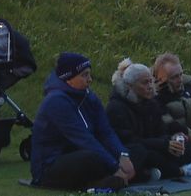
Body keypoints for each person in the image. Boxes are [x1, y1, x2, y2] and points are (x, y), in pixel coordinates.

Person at [31, 52, 134, 191]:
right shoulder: (56, 101)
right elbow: (82, 139)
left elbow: (105, 131)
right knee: (91, 157)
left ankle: (109, 180)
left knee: (132, 151)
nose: (90, 79)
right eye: (84, 75)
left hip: (80, 153)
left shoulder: (89, 96)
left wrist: (123, 155)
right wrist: (115, 166)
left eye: (89, 74)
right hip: (51, 165)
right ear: (69, 78)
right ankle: (101, 182)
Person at [105, 58, 191, 181]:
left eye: (151, 82)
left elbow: (161, 129)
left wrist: (172, 140)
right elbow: (128, 140)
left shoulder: (151, 103)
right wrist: (164, 144)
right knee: (145, 154)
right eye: (144, 83)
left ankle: (154, 172)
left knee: (184, 148)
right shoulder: (116, 108)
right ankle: (181, 171)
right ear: (130, 85)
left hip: (154, 144)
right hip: (131, 150)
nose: (150, 86)